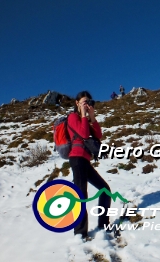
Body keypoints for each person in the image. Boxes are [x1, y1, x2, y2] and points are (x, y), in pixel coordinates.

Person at [68, 91, 110, 240]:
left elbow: (98, 135)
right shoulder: (73, 117)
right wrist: (84, 115)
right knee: (81, 195)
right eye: (84, 102)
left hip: (85, 160)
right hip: (77, 159)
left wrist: (92, 116)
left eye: (89, 102)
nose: (87, 104)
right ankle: (80, 233)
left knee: (105, 190)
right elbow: (84, 134)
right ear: (77, 103)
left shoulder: (85, 118)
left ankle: (103, 224)